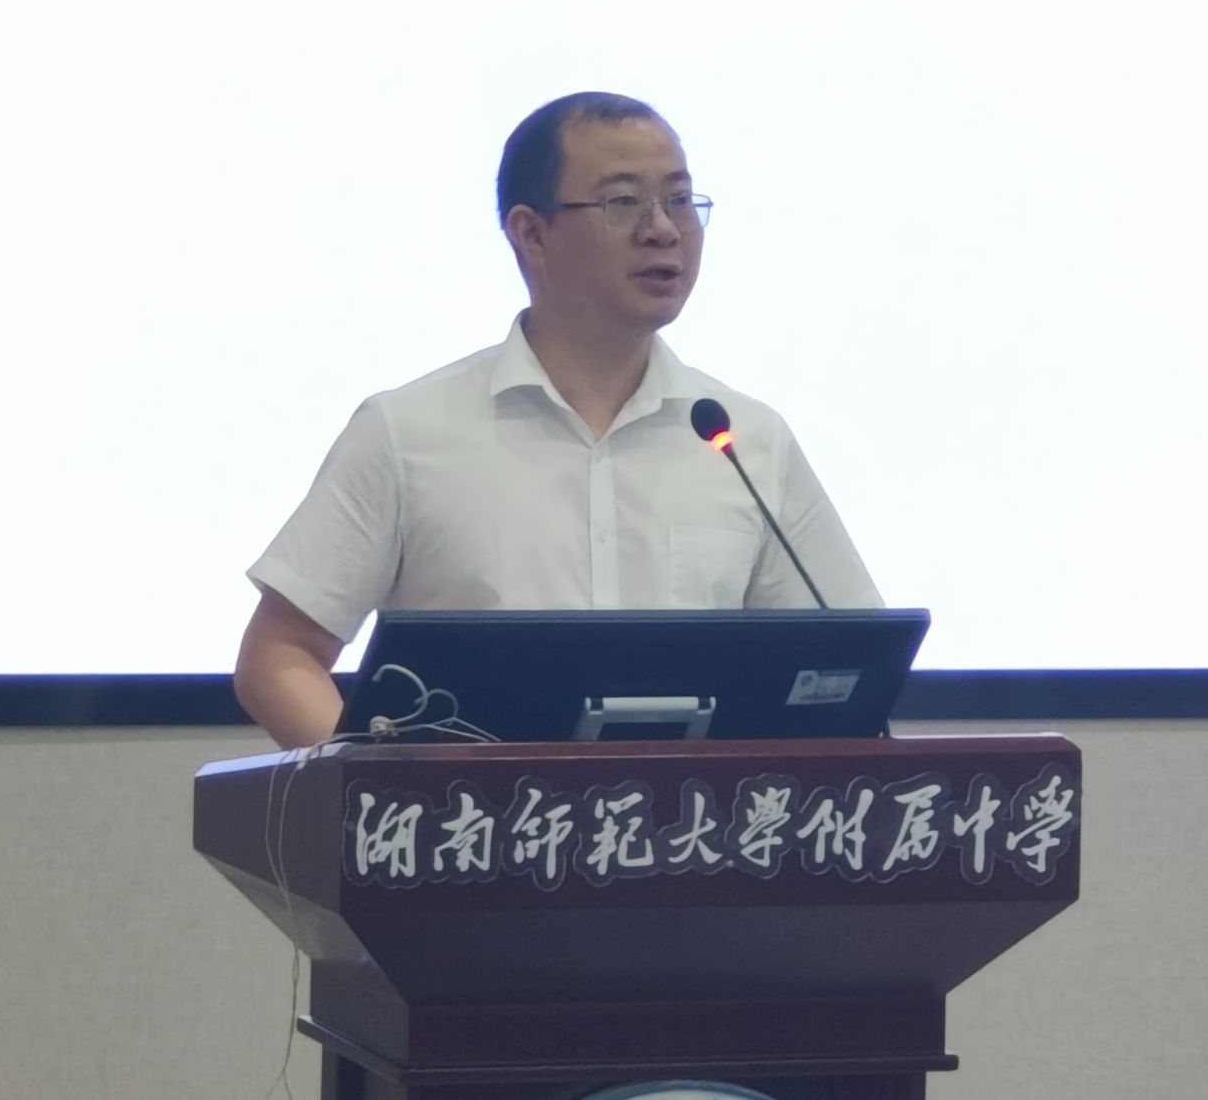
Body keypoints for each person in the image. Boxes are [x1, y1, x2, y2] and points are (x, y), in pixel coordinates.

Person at [234, 92, 879, 746]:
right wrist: (377, 786)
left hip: (688, 813)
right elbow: (279, 657)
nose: (663, 229)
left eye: (681, 200)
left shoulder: (745, 441)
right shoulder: (406, 433)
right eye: (623, 201)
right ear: (531, 233)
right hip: (470, 809)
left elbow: (854, 666)